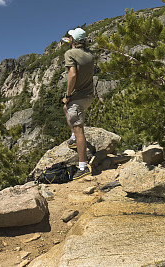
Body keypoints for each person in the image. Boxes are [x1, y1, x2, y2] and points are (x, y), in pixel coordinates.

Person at [61, 28, 94, 180]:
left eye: (70, 37)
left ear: (73, 40)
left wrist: (68, 95)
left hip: (77, 98)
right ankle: (74, 139)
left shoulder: (70, 54)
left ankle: (83, 167)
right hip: (89, 96)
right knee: (65, 108)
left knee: (79, 129)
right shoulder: (89, 55)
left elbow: (72, 75)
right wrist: (69, 41)